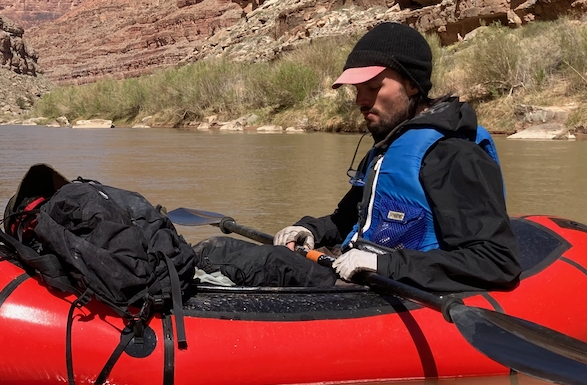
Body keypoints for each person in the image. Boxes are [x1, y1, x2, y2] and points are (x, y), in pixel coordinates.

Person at [195, 22, 520, 293]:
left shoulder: (453, 154)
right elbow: (348, 219)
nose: (360, 101)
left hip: (400, 290)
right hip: (360, 276)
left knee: (239, 258)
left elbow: (495, 261)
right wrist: (309, 230)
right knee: (216, 249)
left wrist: (385, 264)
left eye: (373, 87)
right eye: (357, 90)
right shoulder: (387, 148)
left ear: (411, 85)